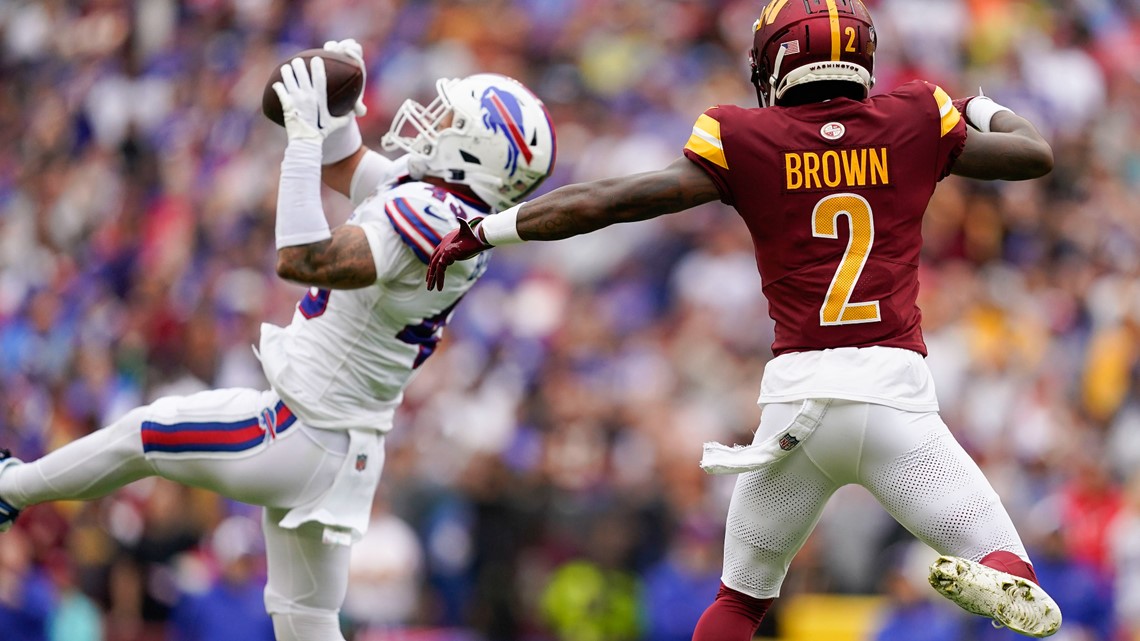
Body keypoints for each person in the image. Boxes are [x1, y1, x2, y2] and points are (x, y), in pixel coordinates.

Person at [426, 0, 1062, 638]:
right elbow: (1034, 154)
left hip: (799, 409)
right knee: (1014, 573)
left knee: (739, 603)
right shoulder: (916, 117)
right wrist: (978, 105)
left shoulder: (747, 138)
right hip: (896, 402)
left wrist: (484, 229)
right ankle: (994, 572)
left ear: (776, 62)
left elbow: (607, 201)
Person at [0, 38, 556, 641]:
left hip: (302, 432)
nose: (431, 121)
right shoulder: (450, 212)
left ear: (477, 152)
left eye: (451, 121)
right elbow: (349, 170)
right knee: (305, 622)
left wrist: (301, 138)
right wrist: (338, 107)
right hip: (344, 444)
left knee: (146, 433)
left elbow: (302, 260)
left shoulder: (433, 220)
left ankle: (9, 489)